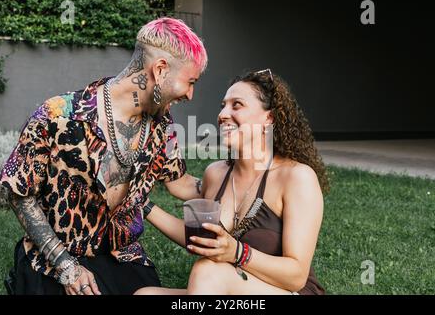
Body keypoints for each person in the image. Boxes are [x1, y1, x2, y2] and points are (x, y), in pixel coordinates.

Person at [0, 17, 208, 295]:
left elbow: (178, 182)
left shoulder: (162, 125)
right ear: (160, 70)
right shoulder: (59, 115)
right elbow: (19, 192)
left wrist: (235, 176)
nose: (191, 95)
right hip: (55, 256)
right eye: (189, 82)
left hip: (121, 255)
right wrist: (65, 265)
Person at [135, 69, 328, 295]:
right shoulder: (216, 174)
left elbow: (296, 276)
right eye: (223, 105)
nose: (223, 114)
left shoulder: (297, 177)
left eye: (237, 105)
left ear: (269, 118)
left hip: (286, 291)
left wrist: (237, 252)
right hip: (228, 288)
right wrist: (141, 203)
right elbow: (198, 235)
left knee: (208, 271)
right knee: (145, 295)